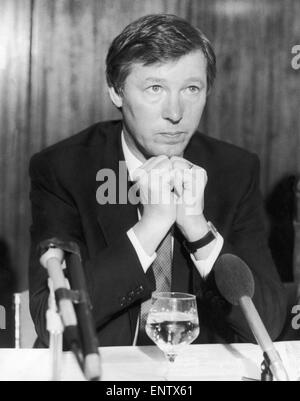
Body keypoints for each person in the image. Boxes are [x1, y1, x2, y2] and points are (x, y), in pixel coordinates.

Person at [29, 14, 287, 347]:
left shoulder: (233, 170)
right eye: (155, 88)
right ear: (116, 91)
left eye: (192, 88)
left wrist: (198, 230)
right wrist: (150, 228)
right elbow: (51, 319)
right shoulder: (65, 168)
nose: (176, 112)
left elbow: (268, 321)